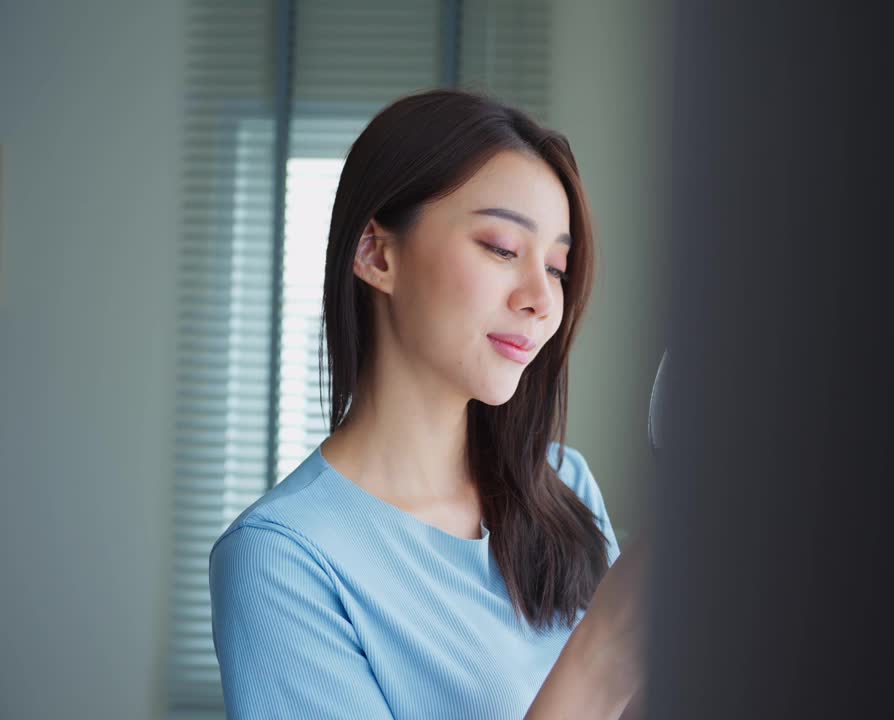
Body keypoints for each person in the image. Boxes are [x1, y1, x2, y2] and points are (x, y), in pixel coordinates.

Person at [208, 89, 647, 719]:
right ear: (377, 254)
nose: (541, 300)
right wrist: (603, 653)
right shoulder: (282, 559)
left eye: (556, 267)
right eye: (501, 248)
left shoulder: (562, 486)